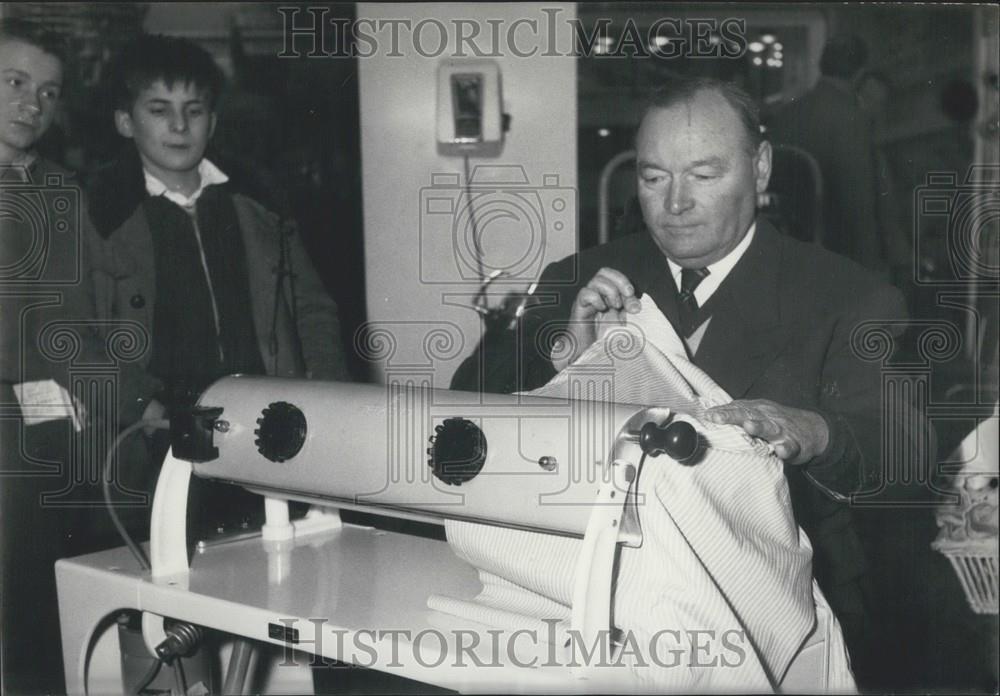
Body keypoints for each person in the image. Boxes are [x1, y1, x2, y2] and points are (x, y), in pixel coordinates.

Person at [452, 75, 926, 684]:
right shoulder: (582, 275)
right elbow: (463, 413)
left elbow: (903, 451)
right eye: (653, 178)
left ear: (759, 170)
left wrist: (809, 429)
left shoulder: (848, 295)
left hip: (780, 610)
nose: (674, 204)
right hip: (591, 595)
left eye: (703, 176)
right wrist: (566, 361)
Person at [86, 34, 349, 537]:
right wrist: (142, 407)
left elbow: (312, 309)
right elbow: (79, 335)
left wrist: (327, 403)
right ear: (125, 121)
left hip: (261, 426)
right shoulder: (100, 216)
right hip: (158, 434)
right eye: (160, 109)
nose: (180, 125)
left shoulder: (257, 205)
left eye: (195, 109)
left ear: (214, 120)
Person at [0, 18, 103, 694]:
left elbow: (82, 314)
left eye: (47, 92)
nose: (31, 105)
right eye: (14, 82)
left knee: (42, 612)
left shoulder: (61, 189)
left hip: (45, 430)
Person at [767, 34, 887, 273]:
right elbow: (858, 202)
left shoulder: (786, 114)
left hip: (785, 251)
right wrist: (870, 270)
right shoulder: (850, 117)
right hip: (834, 256)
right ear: (860, 73)